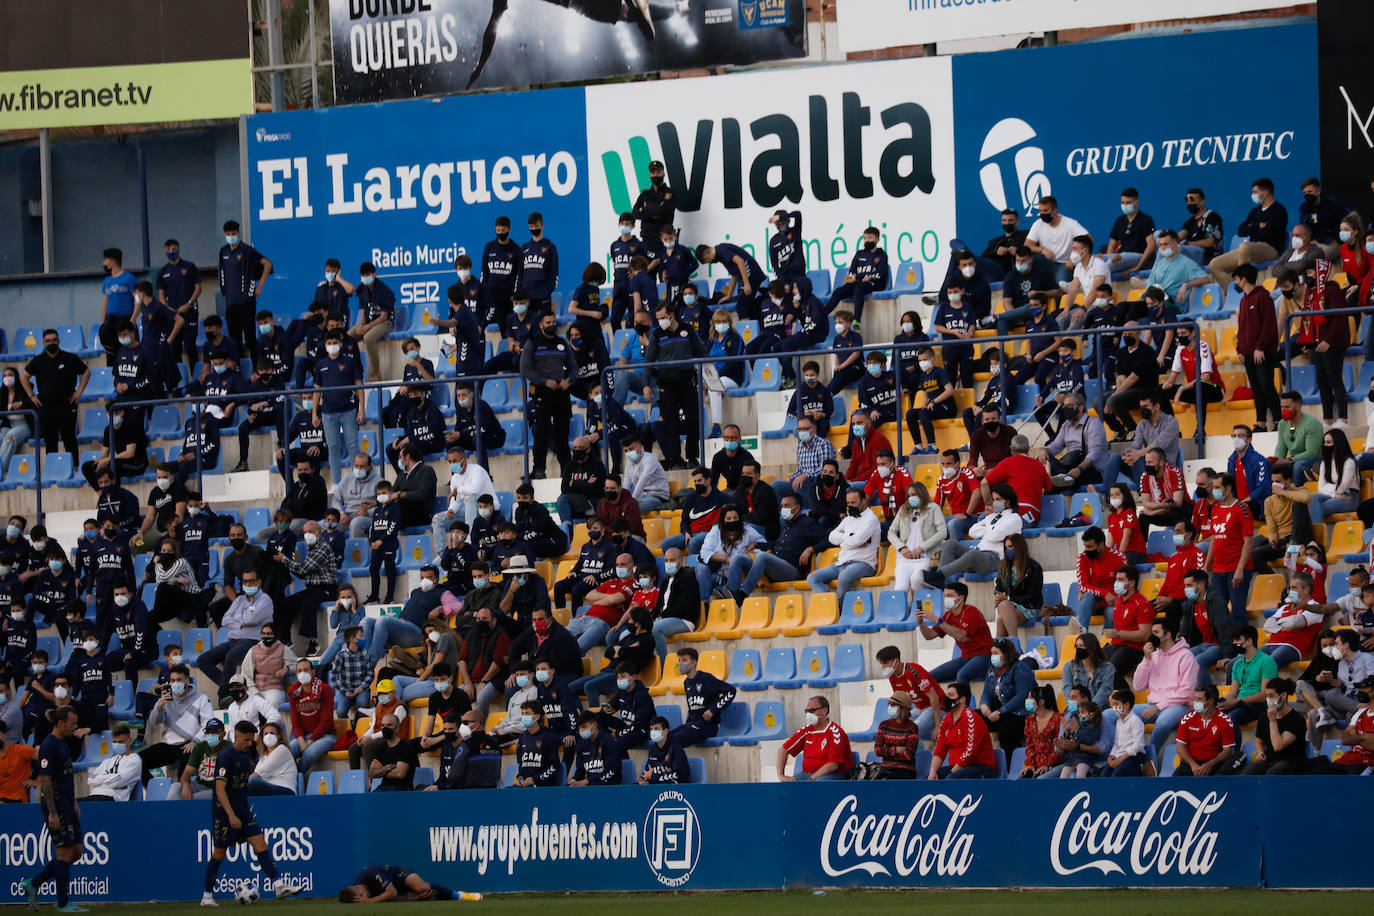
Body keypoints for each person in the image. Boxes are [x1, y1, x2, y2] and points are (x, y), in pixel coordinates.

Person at [199, 720, 301, 906]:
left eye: (251, 740)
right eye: (246, 740)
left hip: (243, 810)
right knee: (219, 853)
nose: (250, 744)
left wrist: (242, 812)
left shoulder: (247, 757)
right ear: (236, 737)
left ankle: (278, 885)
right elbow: (220, 790)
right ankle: (207, 896)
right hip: (224, 813)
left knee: (261, 844)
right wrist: (230, 815)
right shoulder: (226, 757)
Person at [19, 708, 87, 912]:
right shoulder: (48, 746)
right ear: (60, 723)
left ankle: (34, 883)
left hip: (67, 803)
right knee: (65, 852)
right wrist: (53, 812)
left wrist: (73, 801)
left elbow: (66, 776)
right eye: (72, 723)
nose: (75, 727)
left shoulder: (63, 744)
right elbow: (46, 782)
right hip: (55, 805)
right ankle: (63, 903)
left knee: (77, 851)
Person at [645, 303, 707, 470]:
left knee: (693, 418)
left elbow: (701, 353)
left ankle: (693, 456)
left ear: (671, 315)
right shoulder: (657, 334)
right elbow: (649, 361)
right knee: (669, 422)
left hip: (687, 380)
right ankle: (675, 459)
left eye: (663, 318)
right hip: (667, 383)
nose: (660, 322)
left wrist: (706, 378)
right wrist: (646, 384)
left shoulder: (687, 329)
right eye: (658, 319)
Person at [519, 311, 577, 480]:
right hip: (542, 393)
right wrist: (544, 381)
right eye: (548, 322)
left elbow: (574, 367)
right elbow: (525, 369)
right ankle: (538, 470)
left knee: (562, 434)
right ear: (541, 324)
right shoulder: (533, 344)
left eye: (553, 322)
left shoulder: (561, 343)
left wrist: (569, 381)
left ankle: (566, 470)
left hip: (561, 393)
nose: (551, 325)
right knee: (541, 433)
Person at [20, 329, 89, 466]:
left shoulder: (69, 358)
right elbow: (24, 377)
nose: (51, 343)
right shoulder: (38, 361)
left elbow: (86, 371)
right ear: (43, 343)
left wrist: (79, 391)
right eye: (48, 341)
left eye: (53, 340)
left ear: (58, 341)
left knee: (69, 438)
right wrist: (32, 395)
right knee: (50, 441)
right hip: (46, 407)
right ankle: (53, 468)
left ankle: (74, 466)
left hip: (67, 405)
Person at [1134, 616, 1201, 755]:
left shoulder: (1186, 656)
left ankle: (1148, 758)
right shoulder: (1152, 655)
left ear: (1168, 635)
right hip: (1153, 705)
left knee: (1163, 722)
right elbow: (1138, 686)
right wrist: (1146, 659)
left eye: (1156, 632)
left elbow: (1186, 693)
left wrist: (1158, 707)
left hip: (1180, 705)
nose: (1153, 636)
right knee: (1111, 715)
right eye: (1152, 632)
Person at [932, 484, 1022, 584]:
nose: (995, 503)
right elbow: (972, 531)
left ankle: (938, 575)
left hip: (995, 559)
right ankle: (938, 584)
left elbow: (994, 536)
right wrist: (992, 529)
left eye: (998, 499)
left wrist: (987, 530)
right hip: (979, 556)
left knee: (972, 554)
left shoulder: (1014, 518)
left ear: (1008, 500)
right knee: (950, 544)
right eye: (994, 499)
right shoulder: (992, 517)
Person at [805, 487, 880, 603]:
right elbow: (831, 537)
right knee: (812, 578)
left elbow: (857, 540)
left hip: (864, 563)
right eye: (848, 503)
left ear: (864, 501)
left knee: (844, 576)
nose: (850, 506)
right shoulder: (848, 519)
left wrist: (845, 539)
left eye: (853, 502)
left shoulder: (871, 519)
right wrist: (850, 537)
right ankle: (833, 606)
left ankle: (842, 609)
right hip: (841, 563)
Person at [1297, 630, 1372, 741]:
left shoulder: (1367, 659)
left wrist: (1361, 697)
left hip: (1361, 700)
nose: (1333, 648)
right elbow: (1344, 687)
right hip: (1344, 702)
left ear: (1346, 646)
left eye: (1335, 644)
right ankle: (1316, 752)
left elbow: (1371, 682)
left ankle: (1359, 710)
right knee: (1315, 712)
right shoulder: (1342, 663)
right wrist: (1337, 683)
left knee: (1348, 713)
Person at [217, 221, 273, 359]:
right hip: (230, 301)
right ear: (225, 235)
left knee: (250, 339)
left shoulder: (246, 250)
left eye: (234, 234)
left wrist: (259, 286)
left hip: (246, 301)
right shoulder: (223, 251)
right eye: (228, 234)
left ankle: (256, 369)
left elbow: (268, 264)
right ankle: (239, 369)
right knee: (234, 340)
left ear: (239, 233)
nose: (231, 236)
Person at [1207, 472, 1255, 627]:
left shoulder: (1242, 508)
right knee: (1216, 611)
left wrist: (1240, 569)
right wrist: (1207, 565)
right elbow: (1215, 538)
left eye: (1217, 487)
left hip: (1236, 569)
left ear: (1228, 488)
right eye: (1213, 487)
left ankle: (1241, 647)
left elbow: (1248, 541)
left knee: (1237, 612)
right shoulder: (1215, 509)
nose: (1214, 491)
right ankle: (1225, 645)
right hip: (1219, 569)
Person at [919, 582, 992, 685]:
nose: (946, 599)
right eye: (945, 596)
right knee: (929, 677)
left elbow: (961, 635)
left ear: (960, 598)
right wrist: (921, 623)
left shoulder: (971, 611)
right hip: (965, 658)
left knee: (962, 675)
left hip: (984, 657)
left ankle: (964, 701)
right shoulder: (948, 615)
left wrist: (937, 620)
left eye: (950, 596)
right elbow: (929, 636)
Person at [668, 647, 736, 749]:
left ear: (693, 663)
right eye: (679, 660)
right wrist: (687, 725)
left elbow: (731, 691)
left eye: (684, 660)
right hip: (692, 724)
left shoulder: (706, 678)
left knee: (674, 741)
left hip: (708, 726)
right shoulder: (686, 683)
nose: (680, 664)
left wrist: (713, 709)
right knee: (664, 739)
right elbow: (692, 709)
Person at [1103, 566, 1157, 689]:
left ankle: (1126, 700)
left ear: (1132, 583)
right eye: (1116, 579)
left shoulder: (1143, 604)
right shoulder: (1118, 600)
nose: (1116, 583)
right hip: (1115, 646)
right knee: (1089, 662)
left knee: (1110, 671)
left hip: (1133, 649)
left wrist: (1118, 634)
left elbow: (1145, 634)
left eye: (1121, 580)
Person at [928, 683, 997, 779]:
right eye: (947, 695)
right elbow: (940, 750)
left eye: (951, 695)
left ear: (962, 700)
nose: (947, 698)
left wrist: (951, 773)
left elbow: (970, 753)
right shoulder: (946, 719)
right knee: (929, 779)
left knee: (950, 778)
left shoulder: (972, 719)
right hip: (959, 768)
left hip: (981, 768)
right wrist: (932, 772)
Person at [1040, 391, 1107, 490]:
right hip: (1071, 466)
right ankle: (1062, 477)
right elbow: (1056, 445)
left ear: (1080, 407)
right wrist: (1045, 450)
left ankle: (1060, 480)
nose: (1066, 409)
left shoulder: (1093, 424)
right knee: (1046, 456)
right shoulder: (1066, 425)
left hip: (1091, 469)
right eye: (1064, 406)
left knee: (1051, 487)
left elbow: (1094, 453)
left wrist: (1080, 468)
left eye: (1069, 405)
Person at [889, 482, 945, 598]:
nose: (911, 498)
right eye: (908, 496)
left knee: (916, 580)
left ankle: (916, 609)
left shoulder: (933, 508)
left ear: (921, 494)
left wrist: (921, 548)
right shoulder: (903, 509)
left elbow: (943, 532)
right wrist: (902, 548)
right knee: (900, 588)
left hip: (925, 556)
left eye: (914, 494)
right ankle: (901, 613)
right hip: (904, 557)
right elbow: (891, 532)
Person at [777, 696, 852, 782]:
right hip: (807, 774)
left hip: (831, 775)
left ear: (824, 711)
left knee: (819, 783)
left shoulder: (836, 732)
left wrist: (811, 779)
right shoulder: (806, 730)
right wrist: (781, 775)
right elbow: (783, 750)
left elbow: (833, 765)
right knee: (789, 785)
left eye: (812, 711)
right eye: (807, 711)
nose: (809, 714)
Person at [979, 639, 1035, 751]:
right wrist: (984, 705)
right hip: (1002, 710)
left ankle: (1009, 764)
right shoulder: (993, 669)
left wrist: (1001, 711)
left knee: (1006, 731)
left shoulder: (1020, 668)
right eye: (992, 653)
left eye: (996, 653)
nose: (992, 656)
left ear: (1006, 654)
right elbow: (986, 692)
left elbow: (1023, 695)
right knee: (975, 719)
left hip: (1020, 713)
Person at [1174, 685, 1242, 777]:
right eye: (1195, 699)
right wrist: (1193, 765)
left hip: (1214, 764)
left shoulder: (1225, 721)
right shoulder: (1187, 718)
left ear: (1210, 702)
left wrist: (1210, 764)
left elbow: (1227, 751)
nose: (1195, 702)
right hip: (1190, 764)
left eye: (1199, 699)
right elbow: (1180, 747)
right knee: (1173, 783)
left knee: (1240, 757)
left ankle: (1217, 781)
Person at [1260, 572, 1325, 668]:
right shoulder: (1285, 607)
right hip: (1270, 645)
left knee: (1267, 664)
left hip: (1292, 647)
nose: (1290, 591)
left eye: (1294, 588)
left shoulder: (1315, 608)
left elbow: (1294, 623)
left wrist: (1279, 624)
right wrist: (1288, 626)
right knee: (1236, 663)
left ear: (1306, 589)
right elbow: (1267, 626)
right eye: (1290, 588)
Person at [1221, 624, 1279, 728]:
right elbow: (1233, 693)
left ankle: (1232, 745)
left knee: (1230, 720)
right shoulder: (1237, 664)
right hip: (1240, 703)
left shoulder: (1267, 662)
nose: (1234, 643)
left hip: (1258, 705)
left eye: (1237, 640)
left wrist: (1236, 701)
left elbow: (1264, 695)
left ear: (1249, 641)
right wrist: (1225, 702)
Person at [992, 533, 1043, 637]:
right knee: (1002, 613)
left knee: (1002, 617)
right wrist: (998, 596)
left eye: (1010, 547)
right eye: (1006, 547)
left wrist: (1008, 598)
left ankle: (1009, 643)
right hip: (1009, 607)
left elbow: (1033, 595)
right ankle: (1011, 646)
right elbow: (999, 587)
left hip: (1028, 606)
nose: (1007, 550)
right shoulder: (1003, 566)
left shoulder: (1034, 567)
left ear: (1019, 547)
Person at [81, 724, 140, 802]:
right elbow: (90, 779)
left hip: (114, 798)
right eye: (114, 742)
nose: (117, 744)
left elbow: (118, 782)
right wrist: (111, 779)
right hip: (95, 795)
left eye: (121, 742)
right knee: (71, 804)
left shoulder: (134, 760)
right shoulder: (108, 761)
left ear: (130, 741)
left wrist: (101, 779)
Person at [870, 692, 922, 779]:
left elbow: (908, 755)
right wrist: (896, 749)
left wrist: (886, 753)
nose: (889, 707)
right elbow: (877, 750)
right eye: (889, 704)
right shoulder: (884, 725)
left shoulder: (912, 728)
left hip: (906, 770)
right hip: (886, 769)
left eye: (893, 705)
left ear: (902, 708)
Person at [1060, 632, 1115, 710]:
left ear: (1092, 648)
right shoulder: (1069, 667)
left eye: (1082, 646)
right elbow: (1067, 691)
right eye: (1077, 646)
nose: (1078, 649)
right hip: (1075, 709)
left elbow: (1104, 692)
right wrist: (1076, 709)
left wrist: (1088, 710)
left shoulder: (1107, 668)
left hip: (1099, 709)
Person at [513, 702, 563, 787]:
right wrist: (520, 778)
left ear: (537, 716)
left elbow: (554, 766)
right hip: (526, 785)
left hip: (543, 786)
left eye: (527, 713)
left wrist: (534, 779)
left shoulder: (548, 736)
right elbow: (521, 765)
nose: (524, 716)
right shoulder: (522, 737)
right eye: (523, 713)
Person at [1020, 686, 1064, 779]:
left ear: (1041, 702)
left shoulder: (1058, 719)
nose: (1027, 700)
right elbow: (1030, 745)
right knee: (1022, 780)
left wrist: (1048, 765)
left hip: (1055, 764)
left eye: (1031, 697)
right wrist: (1030, 765)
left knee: (1040, 780)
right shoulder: (1030, 719)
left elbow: (1060, 746)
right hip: (1035, 765)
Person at [1058, 699, 1109, 779]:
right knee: (1063, 777)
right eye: (1079, 713)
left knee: (1080, 776)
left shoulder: (1094, 727)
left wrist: (1077, 731)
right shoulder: (1080, 725)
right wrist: (1067, 734)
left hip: (1085, 759)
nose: (1079, 715)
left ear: (1091, 715)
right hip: (1073, 758)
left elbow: (1089, 740)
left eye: (1082, 713)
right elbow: (1074, 738)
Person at [568, 712, 622, 787]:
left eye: (584, 727)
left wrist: (586, 781)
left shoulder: (608, 742)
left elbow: (611, 771)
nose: (581, 731)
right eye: (579, 728)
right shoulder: (581, 744)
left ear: (594, 724)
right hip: (590, 785)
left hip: (608, 785)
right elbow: (580, 770)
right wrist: (575, 780)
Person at [1104, 689, 1148, 778]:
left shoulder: (1135, 721)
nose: (1114, 707)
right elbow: (1116, 744)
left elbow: (1138, 745)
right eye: (1113, 705)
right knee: (1103, 775)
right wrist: (1111, 756)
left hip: (1133, 757)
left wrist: (1120, 760)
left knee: (1116, 776)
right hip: (1119, 756)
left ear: (1127, 705)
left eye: (1116, 704)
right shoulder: (1119, 722)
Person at [246, 722, 297, 797]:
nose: (269, 736)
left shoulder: (282, 750)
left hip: (284, 789)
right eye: (266, 734)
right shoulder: (263, 756)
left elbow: (257, 775)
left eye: (272, 733)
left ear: (279, 736)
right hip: (269, 788)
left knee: (252, 782)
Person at [622, 436, 669, 513]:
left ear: (640, 446)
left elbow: (644, 478)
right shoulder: (628, 464)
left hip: (656, 497)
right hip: (640, 497)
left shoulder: (650, 458)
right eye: (626, 451)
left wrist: (632, 499)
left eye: (631, 449)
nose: (628, 453)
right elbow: (626, 486)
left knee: (630, 510)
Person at [640, 717, 691, 785]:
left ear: (666, 731)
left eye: (656, 729)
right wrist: (643, 779)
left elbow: (682, 774)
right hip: (658, 783)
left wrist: (654, 777)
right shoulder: (652, 749)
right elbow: (648, 772)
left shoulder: (675, 747)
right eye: (651, 729)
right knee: (634, 787)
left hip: (675, 788)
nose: (653, 732)